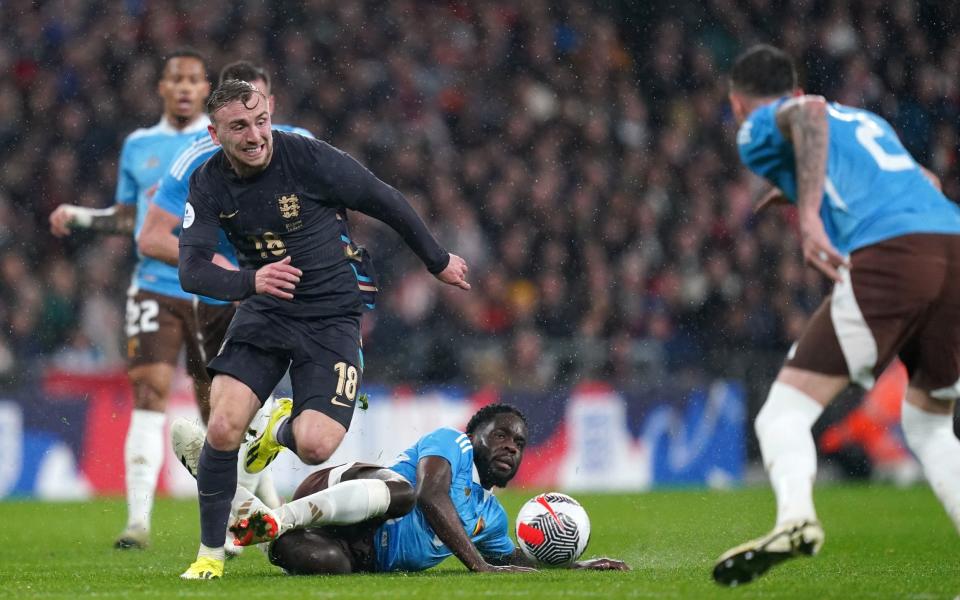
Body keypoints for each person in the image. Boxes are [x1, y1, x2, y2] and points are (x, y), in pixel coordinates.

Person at [176, 79, 471, 580]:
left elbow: (384, 199)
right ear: (214, 133)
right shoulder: (207, 183)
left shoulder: (308, 159)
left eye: (261, 121)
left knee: (315, 445)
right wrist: (251, 281)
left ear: (271, 113)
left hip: (333, 316)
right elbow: (192, 270)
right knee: (222, 426)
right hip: (266, 308)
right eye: (239, 127)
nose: (254, 135)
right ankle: (209, 554)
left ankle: (276, 427)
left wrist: (436, 259)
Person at [713, 44, 960, 586]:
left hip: (893, 255)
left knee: (781, 414)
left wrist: (807, 220)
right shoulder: (867, 120)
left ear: (737, 103)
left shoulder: (757, 126)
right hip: (951, 246)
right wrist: (802, 189)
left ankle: (796, 519)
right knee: (929, 424)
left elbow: (808, 116)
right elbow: (930, 183)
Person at [48, 49, 212, 550]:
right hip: (153, 287)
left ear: (206, 89)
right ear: (161, 86)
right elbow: (129, 219)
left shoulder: (219, 138)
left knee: (220, 408)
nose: (184, 87)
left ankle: (255, 510)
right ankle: (138, 521)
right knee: (148, 392)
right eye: (175, 78)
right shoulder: (138, 145)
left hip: (211, 288)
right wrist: (81, 216)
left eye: (193, 79)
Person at [141, 60, 314, 512]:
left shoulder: (302, 147)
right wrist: (225, 269)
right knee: (232, 423)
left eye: (257, 110)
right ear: (218, 117)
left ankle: (250, 516)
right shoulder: (196, 158)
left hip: (296, 293)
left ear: (270, 105)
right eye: (236, 115)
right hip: (225, 299)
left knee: (254, 424)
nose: (250, 127)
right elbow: (152, 235)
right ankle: (254, 514)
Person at [174, 403, 629, 575]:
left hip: (352, 549)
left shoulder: (490, 517)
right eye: (501, 435)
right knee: (406, 493)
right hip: (339, 492)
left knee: (331, 567)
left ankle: (235, 497)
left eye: (519, 443)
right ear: (475, 435)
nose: (510, 446)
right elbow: (431, 496)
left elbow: (511, 557)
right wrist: (478, 568)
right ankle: (276, 515)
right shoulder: (450, 445)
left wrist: (578, 566)